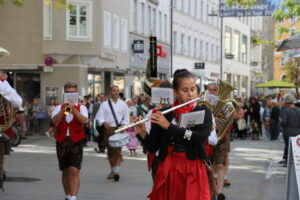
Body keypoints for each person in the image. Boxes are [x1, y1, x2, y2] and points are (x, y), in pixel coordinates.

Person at [135, 69, 212, 200]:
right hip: (169, 167)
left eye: (193, 89)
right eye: (185, 90)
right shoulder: (164, 113)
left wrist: (169, 127)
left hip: (193, 167)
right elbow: (153, 147)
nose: (191, 94)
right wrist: (142, 133)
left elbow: (198, 138)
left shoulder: (203, 111)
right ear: (175, 92)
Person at [51, 82, 88, 200]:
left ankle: (73, 197)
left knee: (74, 169)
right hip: (62, 141)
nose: (70, 95)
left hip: (76, 141)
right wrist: (64, 110)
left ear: (76, 94)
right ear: (64, 93)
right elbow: (54, 121)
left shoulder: (82, 107)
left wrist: (74, 110)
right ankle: (68, 195)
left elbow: (84, 121)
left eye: (73, 93)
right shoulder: (58, 107)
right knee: (65, 170)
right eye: (68, 93)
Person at [95, 85, 129, 182]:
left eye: (118, 91)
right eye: (114, 90)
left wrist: (124, 125)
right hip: (108, 129)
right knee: (110, 151)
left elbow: (126, 118)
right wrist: (103, 122)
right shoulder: (104, 104)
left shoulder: (123, 104)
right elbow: (99, 117)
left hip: (119, 129)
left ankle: (116, 171)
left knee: (118, 150)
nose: (116, 92)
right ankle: (112, 170)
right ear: (110, 92)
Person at [207, 82, 231, 199]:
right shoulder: (203, 103)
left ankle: (220, 192)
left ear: (219, 91)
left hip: (220, 137)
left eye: (214, 90)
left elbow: (231, 119)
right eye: (210, 90)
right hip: (207, 137)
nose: (212, 92)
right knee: (209, 166)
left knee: (221, 165)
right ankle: (212, 190)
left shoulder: (225, 104)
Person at [0, 70, 22, 191]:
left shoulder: (4, 84)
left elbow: (17, 101)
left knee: (6, 147)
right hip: (3, 123)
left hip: (3, 123)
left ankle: (3, 171)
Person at [279, 93, 300, 167]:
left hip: (288, 132)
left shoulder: (286, 111)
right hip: (298, 133)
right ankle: (296, 162)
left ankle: (287, 161)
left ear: (286, 102)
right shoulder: (298, 110)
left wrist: (280, 121)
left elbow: (284, 122)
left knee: (288, 147)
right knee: (296, 148)